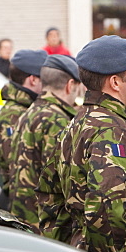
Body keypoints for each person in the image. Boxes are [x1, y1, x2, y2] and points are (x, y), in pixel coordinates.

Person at [50, 35, 126, 252]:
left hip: (78, 250)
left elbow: (49, 195)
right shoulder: (110, 130)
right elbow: (106, 205)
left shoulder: (77, 120)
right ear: (115, 82)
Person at [10, 54, 82, 229]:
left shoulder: (30, 111)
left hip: (22, 215)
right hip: (43, 224)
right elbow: (59, 181)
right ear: (70, 85)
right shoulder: (57, 120)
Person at [0, 49, 47, 204]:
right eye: (45, 79)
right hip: (22, 203)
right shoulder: (13, 116)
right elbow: (17, 165)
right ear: (33, 80)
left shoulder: (26, 109)